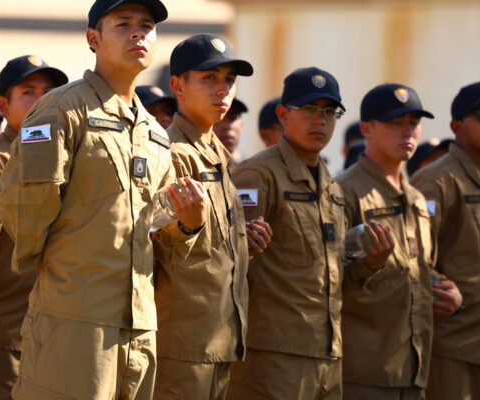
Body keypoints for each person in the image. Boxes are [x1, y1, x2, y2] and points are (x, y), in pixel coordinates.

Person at [0, 1, 207, 398]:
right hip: (75, 320)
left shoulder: (155, 134)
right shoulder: (62, 109)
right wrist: (66, 273)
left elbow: (159, 240)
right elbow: (22, 207)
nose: (137, 33)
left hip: (139, 328)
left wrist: (187, 225)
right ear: (93, 38)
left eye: (146, 26)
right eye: (123, 24)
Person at [153, 33, 271, 400]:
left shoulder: (217, 156)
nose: (223, 89)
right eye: (209, 78)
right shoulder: (170, 153)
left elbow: (206, 247)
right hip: (181, 347)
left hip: (218, 341)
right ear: (177, 85)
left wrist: (242, 243)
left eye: (229, 81)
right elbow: (152, 243)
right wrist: (187, 225)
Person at [227, 67, 351, 399]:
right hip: (272, 356)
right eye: (310, 109)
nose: (320, 121)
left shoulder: (331, 185)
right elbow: (230, 263)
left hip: (327, 354)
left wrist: (371, 261)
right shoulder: (258, 175)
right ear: (283, 114)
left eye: (329, 112)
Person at [0, 54, 67, 400]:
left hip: (53, 329)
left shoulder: (67, 160)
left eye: (50, 92)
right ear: (3, 104)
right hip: (0, 332)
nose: (42, 101)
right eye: (29, 92)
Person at [337, 83, 447, 399]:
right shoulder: (344, 192)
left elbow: (419, 269)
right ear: (366, 129)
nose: (407, 132)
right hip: (363, 375)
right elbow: (324, 280)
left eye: (413, 123)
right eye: (395, 123)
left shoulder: (414, 199)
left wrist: (447, 291)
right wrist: (369, 263)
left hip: (412, 371)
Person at [411, 81, 480, 400]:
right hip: (452, 353)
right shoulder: (436, 182)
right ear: (456, 127)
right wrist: (444, 293)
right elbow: (414, 262)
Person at [212, 97, 247, 169]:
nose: (226, 126)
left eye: (232, 118)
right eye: (217, 119)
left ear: (241, 125)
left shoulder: (251, 170)